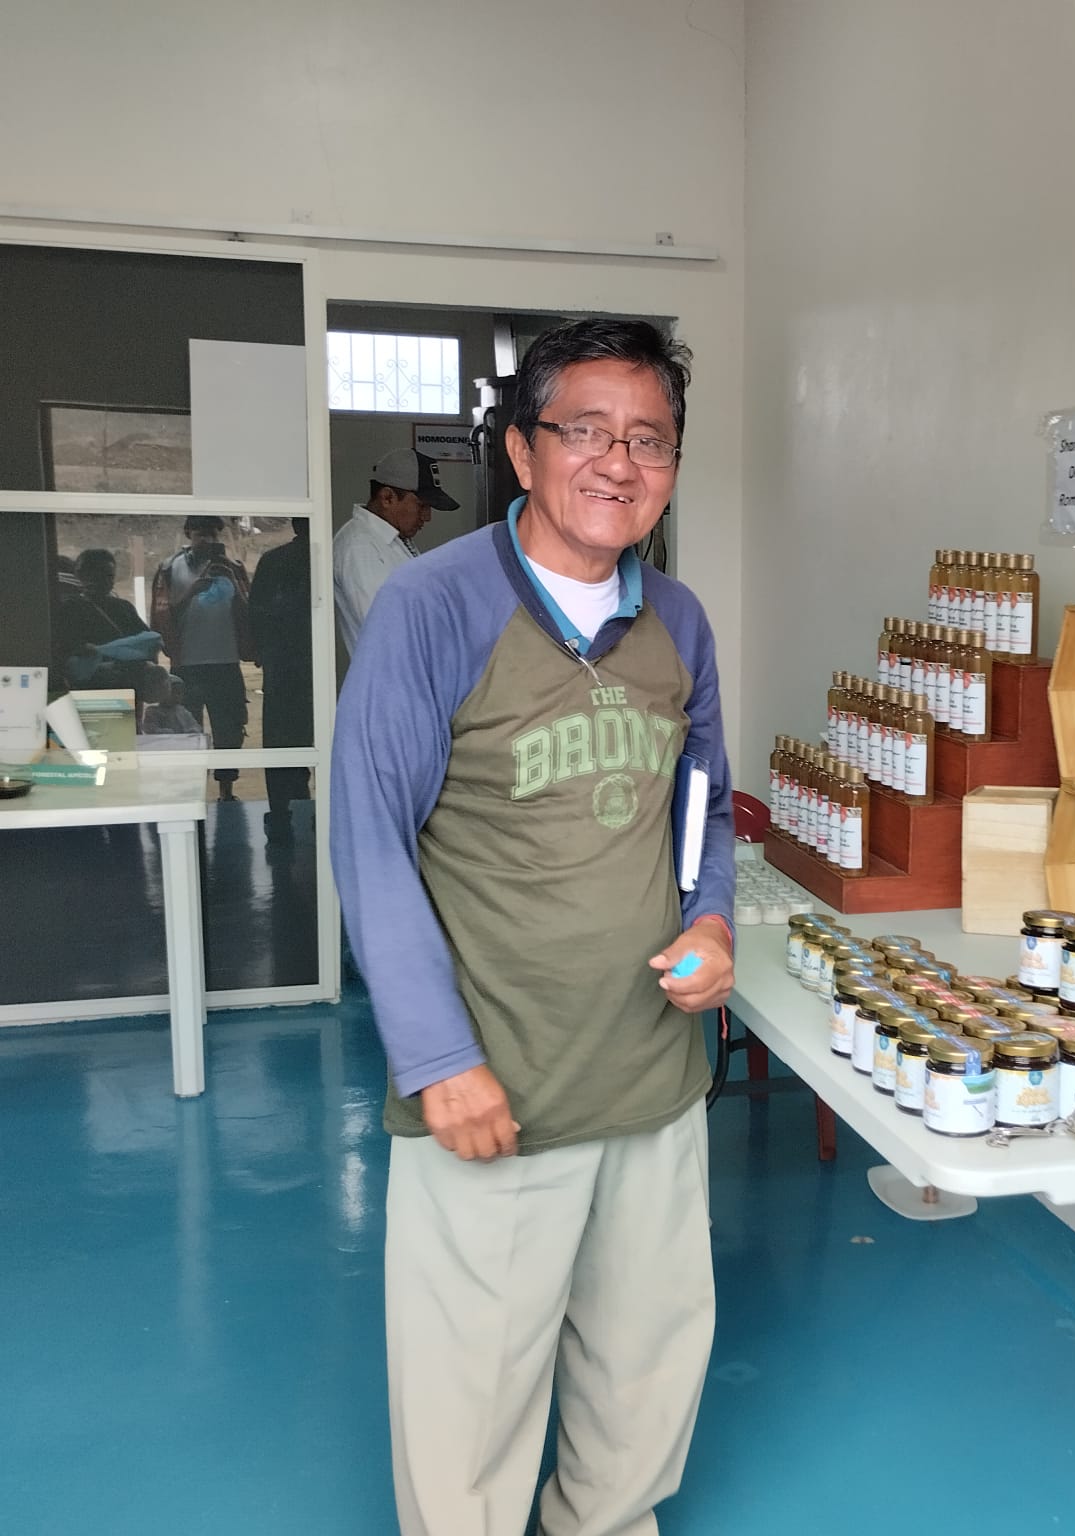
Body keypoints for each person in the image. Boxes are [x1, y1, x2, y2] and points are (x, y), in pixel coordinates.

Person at [331, 318, 735, 1536]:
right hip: (495, 1081)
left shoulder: (680, 619)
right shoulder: (433, 605)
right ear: (521, 448)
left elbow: (705, 806)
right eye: (586, 431)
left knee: (645, 1363)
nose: (619, 462)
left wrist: (714, 924)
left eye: (650, 439)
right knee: (473, 1390)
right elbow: (369, 839)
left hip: (650, 1073)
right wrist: (437, 1059)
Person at [150, 516, 252, 800]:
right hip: (186, 665)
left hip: (226, 662)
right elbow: (161, 617)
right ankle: (191, 794)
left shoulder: (233, 568)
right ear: (188, 534)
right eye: (200, 533)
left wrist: (233, 581)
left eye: (213, 534)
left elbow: (249, 612)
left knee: (229, 731)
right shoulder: (170, 568)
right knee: (186, 732)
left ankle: (227, 791)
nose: (207, 539)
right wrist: (190, 592)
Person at [332, 447, 459, 656]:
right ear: (387, 497)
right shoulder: (360, 547)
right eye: (422, 506)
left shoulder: (392, 539)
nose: (427, 517)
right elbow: (388, 627)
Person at [249, 518, 313, 846]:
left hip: (283, 669)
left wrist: (264, 652)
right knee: (319, 741)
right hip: (316, 668)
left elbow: (255, 615)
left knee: (281, 744)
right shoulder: (328, 558)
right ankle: (310, 814)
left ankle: (281, 816)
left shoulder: (273, 561)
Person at [53, 547, 162, 699]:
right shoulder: (69, 609)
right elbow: (64, 648)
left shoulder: (125, 608)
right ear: (81, 575)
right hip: (92, 690)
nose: (105, 582)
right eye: (97, 576)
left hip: (127, 686)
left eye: (109, 576)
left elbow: (147, 644)